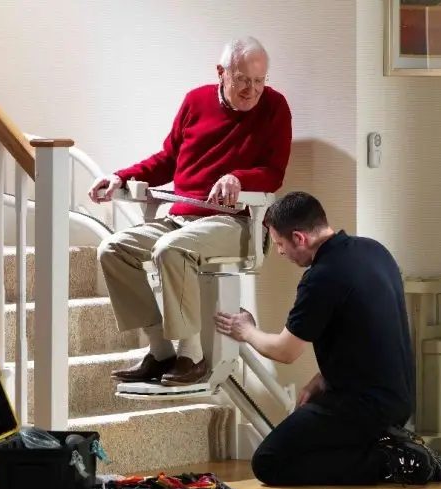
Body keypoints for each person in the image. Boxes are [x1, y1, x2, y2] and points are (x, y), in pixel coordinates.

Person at [90, 36, 292, 386]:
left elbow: (274, 173)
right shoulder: (195, 101)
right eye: (243, 79)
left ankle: (192, 354)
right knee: (113, 249)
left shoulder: (275, 107)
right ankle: (160, 351)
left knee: (172, 249)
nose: (252, 90)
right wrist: (120, 176)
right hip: (181, 218)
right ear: (221, 73)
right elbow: (168, 159)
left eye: (260, 81)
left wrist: (238, 178)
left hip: (237, 223)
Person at [213, 191, 441, 487]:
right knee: (311, 434)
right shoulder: (374, 251)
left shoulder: (322, 277)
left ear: (299, 238)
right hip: (398, 399)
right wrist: (324, 375)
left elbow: (285, 351)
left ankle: (393, 461)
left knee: (269, 462)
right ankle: (396, 447)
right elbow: (368, 331)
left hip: (363, 405)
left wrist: (245, 330)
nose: (280, 252)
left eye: (279, 243)